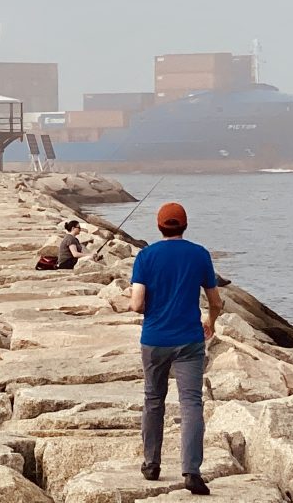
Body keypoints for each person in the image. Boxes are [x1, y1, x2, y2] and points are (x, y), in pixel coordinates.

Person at [129, 202, 224, 496]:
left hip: (154, 339)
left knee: (153, 399)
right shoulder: (199, 255)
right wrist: (210, 320)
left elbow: (136, 303)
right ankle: (192, 472)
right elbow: (215, 301)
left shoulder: (145, 256)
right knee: (191, 403)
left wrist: (149, 309)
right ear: (185, 225)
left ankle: (151, 463)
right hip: (189, 341)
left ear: (159, 227)